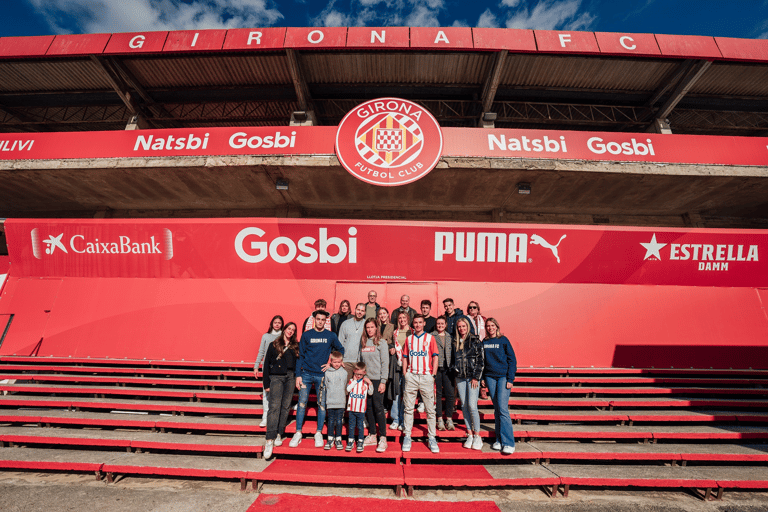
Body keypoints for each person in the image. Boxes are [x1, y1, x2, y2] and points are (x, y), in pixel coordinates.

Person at [290, 310, 344, 448]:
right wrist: (298, 375)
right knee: (302, 404)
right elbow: (300, 356)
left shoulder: (330, 335)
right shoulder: (307, 335)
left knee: (321, 405)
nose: (320, 322)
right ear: (314, 319)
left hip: (321, 375)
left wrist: (331, 363)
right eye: (318, 319)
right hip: (306, 374)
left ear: (326, 321)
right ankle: (298, 432)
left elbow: (341, 349)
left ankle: (318, 432)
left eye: (322, 320)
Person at [401, 314, 439, 454]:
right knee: (408, 408)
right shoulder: (409, 339)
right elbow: (405, 357)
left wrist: (433, 375)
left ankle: (432, 437)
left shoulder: (430, 338)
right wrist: (405, 374)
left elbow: (435, 356)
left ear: (424, 324)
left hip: (426, 377)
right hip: (412, 376)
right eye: (415, 323)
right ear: (413, 325)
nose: (417, 325)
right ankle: (407, 436)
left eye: (420, 322)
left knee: (430, 410)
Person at [262, 321, 297, 459]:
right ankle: (269, 439)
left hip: (290, 377)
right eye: (289, 328)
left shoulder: (295, 346)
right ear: (284, 329)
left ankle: (279, 433)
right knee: (274, 407)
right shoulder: (274, 344)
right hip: (276, 377)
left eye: (293, 330)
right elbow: (266, 365)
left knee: (285, 406)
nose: (290, 331)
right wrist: (266, 384)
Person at [482, 318, 517, 455]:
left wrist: (510, 378)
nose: (490, 328)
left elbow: (512, 360)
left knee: (502, 408)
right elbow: (483, 361)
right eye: (488, 326)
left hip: (503, 377)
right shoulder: (485, 342)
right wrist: (483, 378)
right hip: (490, 377)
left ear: (497, 326)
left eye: (492, 325)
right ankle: (499, 439)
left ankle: (509, 443)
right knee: (497, 409)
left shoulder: (503, 340)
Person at [452, 317, 485, 451]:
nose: (461, 329)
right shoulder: (455, 342)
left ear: (468, 327)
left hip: (472, 378)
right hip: (460, 378)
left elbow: (480, 361)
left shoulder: (475, 340)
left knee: (472, 405)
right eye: (459, 327)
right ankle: (470, 434)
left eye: (463, 326)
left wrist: (476, 377)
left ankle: (478, 435)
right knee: (464, 406)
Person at [359, 318, 389, 452]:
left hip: (377, 380)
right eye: (368, 327)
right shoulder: (364, 342)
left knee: (378, 407)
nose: (370, 330)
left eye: (372, 327)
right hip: (366, 380)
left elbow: (385, 363)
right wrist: (363, 377)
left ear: (376, 328)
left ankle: (383, 437)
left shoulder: (381, 343)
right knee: (369, 408)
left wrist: (383, 381)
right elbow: (360, 362)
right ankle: (372, 434)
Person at [255, 315, 283, 428]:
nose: (277, 324)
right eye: (275, 322)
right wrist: (256, 366)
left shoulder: (283, 336)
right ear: (271, 323)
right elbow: (261, 351)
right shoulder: (265, 336)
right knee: (266, 393)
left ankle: (276, 417)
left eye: (279, 322)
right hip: (267, 368)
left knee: (277, 394)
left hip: (279, 369)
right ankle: (265, 416)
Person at [387, 311, 411, 430]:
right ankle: (395, 419)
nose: (402, 320)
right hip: (397, 365)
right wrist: (391, 348)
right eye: (400, 318)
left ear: (407, 319)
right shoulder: (395, 332)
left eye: (404, 318)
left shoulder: (411, 331)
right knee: (397, 393)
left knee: (406, 394)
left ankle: (403, 420)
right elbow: (393, 345)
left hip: (409, 366)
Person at [431, 315, 455, 431]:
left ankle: (449, 418)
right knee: (438, 394)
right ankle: (439, 418)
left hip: (448, 369)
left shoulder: (450, 337)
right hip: (437, 368)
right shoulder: (432, 336)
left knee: (450, 394)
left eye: (442, 324)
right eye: (438, 324)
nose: (440, 326)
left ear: (445, 325)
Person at [321, 351, 348, 451]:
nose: (337, 364)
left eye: (339, 362)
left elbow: (344, 384)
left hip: (340, 401)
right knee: (331, 421)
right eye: (335, 362)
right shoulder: (327, 372)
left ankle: (338, 438)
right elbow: (327, 386)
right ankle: (330, 438)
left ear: (342, 362)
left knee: (339, 421)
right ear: (331, 362)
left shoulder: (344, 372)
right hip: (331, 401)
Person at [346, 362, 374, 453]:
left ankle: (360, 441)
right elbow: (348, 389)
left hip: (361, 409)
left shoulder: (365, 383)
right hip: (351, 409)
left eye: (360, 374)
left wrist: (370, 383)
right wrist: (354, 381)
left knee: (360, 426)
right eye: (356, 374)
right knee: (351, 426)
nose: (358, 376)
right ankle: (350, 440)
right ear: (354, 372)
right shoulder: (351, 381)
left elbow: (370, 393)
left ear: (364, 373)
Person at [338, 303, 366, 381]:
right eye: (358, 310)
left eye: (362, 311)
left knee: (358, 389)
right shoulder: (345, 324)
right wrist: (340, 360)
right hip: (346, 361)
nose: (360, 312)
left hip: (360, 362)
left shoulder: (366, 324)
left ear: (365, 313)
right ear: (354, 310)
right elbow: (340, 343)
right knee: (346, 388)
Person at [466, 301, 488, 399]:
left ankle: (483, 389)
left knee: (482, 364)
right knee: (473, 365)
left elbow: (487, 331)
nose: (472, 309)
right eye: (470, 308)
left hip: (482, 344)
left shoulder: (483, 319)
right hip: (470, 345)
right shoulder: (465, 319)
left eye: (474, 307)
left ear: (478, 309)